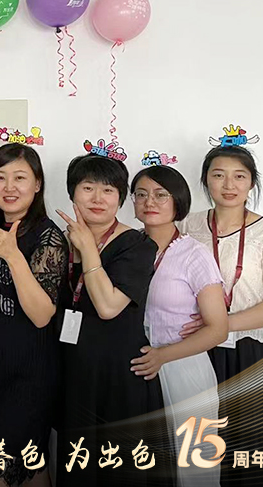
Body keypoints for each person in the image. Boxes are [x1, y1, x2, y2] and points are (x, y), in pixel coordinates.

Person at [179, 146, 263, 486]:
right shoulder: (187, 226)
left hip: (251, 355)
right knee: (198, 458)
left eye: (239, 176)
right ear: (205, 180)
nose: (229, 184)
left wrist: (221, 325)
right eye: (218, 175)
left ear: (252, 183)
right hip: (194, 353)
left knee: (254, 459)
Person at [55, 154, 172, 487]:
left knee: (122, 472)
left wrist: (88, 249)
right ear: (72, 193)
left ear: (120, 198)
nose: (97, 198)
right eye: (87, 188)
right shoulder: (59, 241)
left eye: (108, 190)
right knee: (79, 470)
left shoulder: (138, 245)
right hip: (74, 371)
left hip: (121, 374)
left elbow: (108, 307)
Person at [0, 144, 67, 487]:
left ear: (38, 184)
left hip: (30, 371)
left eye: (20, 178)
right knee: (31, 465)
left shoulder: (48, 236)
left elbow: (42, 314)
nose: (9, 187)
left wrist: (13, 256)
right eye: (0, 177)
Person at [131, 165, 227, 487]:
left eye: (161, 195)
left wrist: (163, 355)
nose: (149, 202)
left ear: (178, 202)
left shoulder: (194, 254)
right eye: (141, 194)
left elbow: (217, 329)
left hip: (184, 369)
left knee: (195, 470)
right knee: (149, 468)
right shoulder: (128, 248)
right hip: (138, 369)